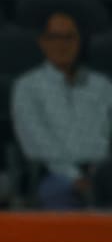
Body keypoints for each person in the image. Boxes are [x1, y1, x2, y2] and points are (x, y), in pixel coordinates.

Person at [12, 12, 112, 210]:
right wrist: (75, 177)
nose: (62, 44)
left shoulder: (102, 85)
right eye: (54, 37)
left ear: (79, 42)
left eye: (69, 37)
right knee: (59, 193)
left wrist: (99, 174)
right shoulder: (27, 86)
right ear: (43, 42)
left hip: (102, 173)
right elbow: (36, 143)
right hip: (54, 174)